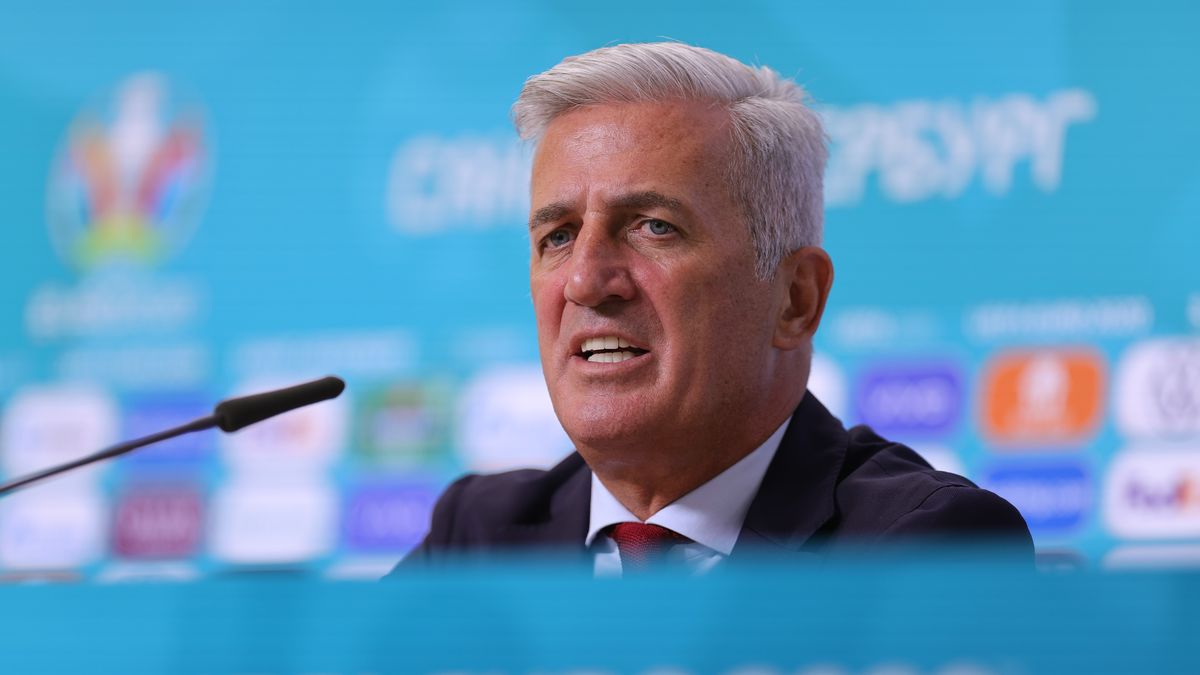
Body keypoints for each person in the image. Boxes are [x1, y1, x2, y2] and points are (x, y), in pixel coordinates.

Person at [393, 42, 1031, 576]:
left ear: (795, 299)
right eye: (557, 237)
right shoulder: (475, 540)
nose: (586, 280)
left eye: (652, 227)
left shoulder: (923, 547)